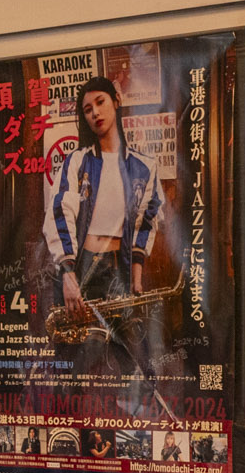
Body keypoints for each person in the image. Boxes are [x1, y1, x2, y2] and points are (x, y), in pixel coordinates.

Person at [43, 76, 159, 310]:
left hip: (118, 267)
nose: (95, 112)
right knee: (78, 332)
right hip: (81, 265)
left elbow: (145, 221)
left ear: (116, 101)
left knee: (119, 332)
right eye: (88, 110)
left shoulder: (143, 167)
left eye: (100, 102)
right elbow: (60, 212)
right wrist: (68, 272)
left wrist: (136, 277)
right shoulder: (77, 161)